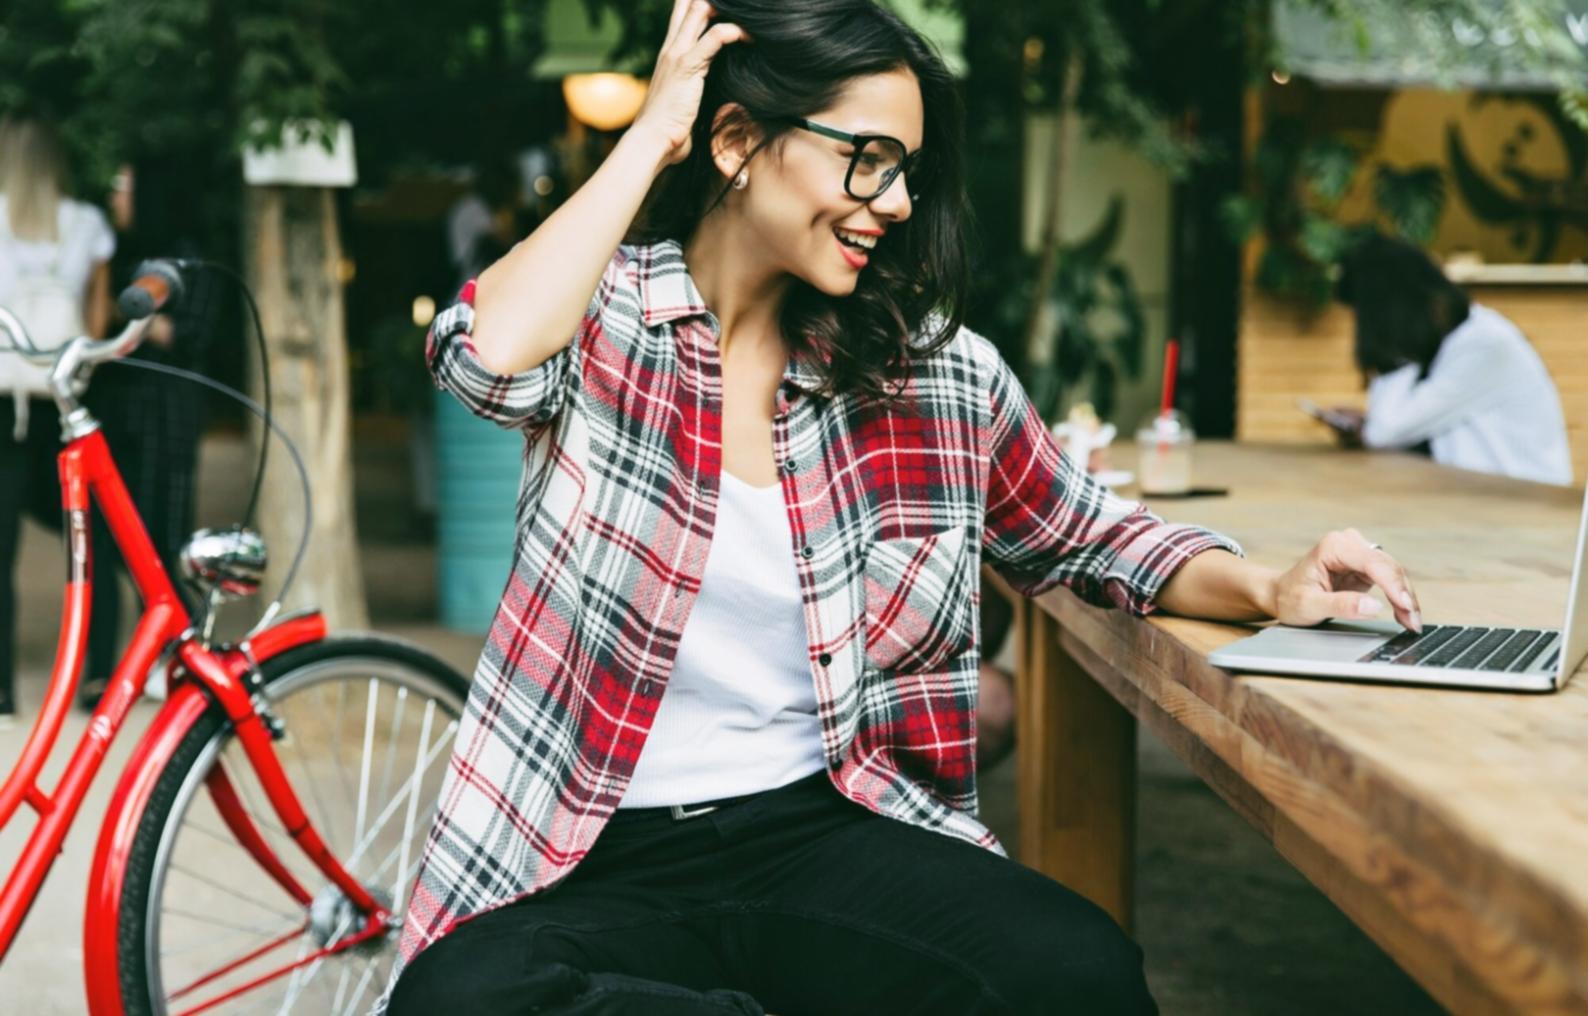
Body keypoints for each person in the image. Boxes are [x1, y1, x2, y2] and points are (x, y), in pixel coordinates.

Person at [387, 3, 1424, 1013]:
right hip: (592, 848)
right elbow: (486, 354)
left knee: (1075, 967)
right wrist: (655, 133)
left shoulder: (929, 376)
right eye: (867, 157)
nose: (891, 202)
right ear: (738, 141)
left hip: (816, 828)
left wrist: (1267, 583)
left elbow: (1092, 533)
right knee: (458, 997)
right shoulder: (604, 319)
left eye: (907, 174)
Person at [78, 157, 217, 710]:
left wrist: (133, 316)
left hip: (168, 418)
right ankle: (119, 671)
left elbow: (192, 335)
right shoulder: (128, 255)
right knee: (115, 540)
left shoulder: (189, 261)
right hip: (124, 419)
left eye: (124, 187)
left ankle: (185, 661)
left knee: (163, 542)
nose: (116, 198)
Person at [0, 115, 115, 723]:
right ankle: (98, 676)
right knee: (90, 538)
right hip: (64, 399)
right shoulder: (88, 225)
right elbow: (97, 320)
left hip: (3, 399)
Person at [1325, 233, 1572, 487]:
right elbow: (1391, 428)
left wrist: (1390, 349)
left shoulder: (1485, 344)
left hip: (1528, 503)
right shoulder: (1444, 343)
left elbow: (1385, 433)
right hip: (1474, 501)